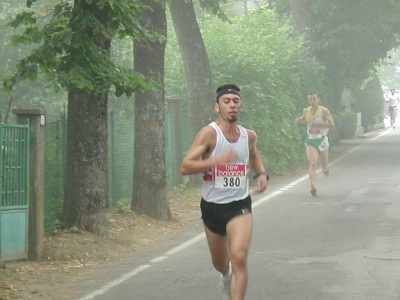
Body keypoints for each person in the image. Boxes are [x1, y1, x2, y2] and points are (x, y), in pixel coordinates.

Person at [180, 84, 268, 300]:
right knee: (220, 263)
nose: (231, 105)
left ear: (241, 106)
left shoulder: (249, 136)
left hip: (239, 205)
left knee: (239, 257)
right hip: (212, 207)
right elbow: (185, 166)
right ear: (217, 107)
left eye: (235, 101)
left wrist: (262, 174)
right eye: (226, 101)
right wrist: (217, 160)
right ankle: (226, 275)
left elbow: (254, 155)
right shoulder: (209, 134)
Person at [294, 91, 335, 196]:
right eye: (310, 99)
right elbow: (304, 120)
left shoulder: (324, 111)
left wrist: (319, 123)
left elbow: (332, 124)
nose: (312, 101)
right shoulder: (306, 111)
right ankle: (313, 185)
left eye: (314, 99)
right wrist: (299, 120)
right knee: (313, 163)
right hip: (311, 139)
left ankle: (325, 167)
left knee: (324, 165)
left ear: (318, 100)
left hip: (322, 140)